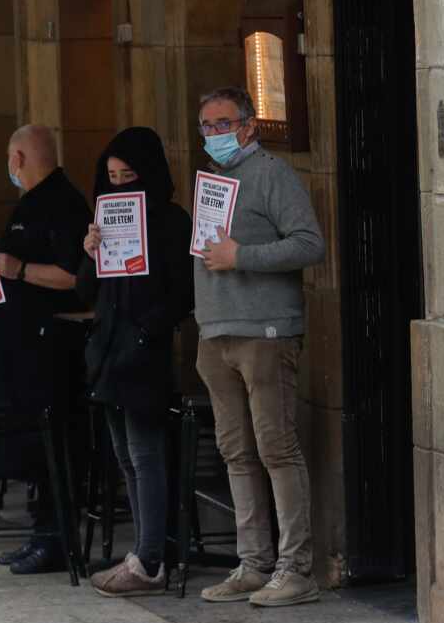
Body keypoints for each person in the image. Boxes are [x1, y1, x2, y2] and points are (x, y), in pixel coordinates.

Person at [193, 87, 325, 608]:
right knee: (236, 452)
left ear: (248, 126)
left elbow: (309, 243)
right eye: (205, 125)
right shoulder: (211, 179)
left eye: (223, 124)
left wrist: (241, 255)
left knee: (276, 447)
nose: (214, 134)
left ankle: (297, 569)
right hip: (217, 330)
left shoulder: (271, 173)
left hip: (265, 330)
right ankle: (254, 564)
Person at [76, 128, 193, 597]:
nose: (120, 185)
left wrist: (148, 331)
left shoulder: (169, 220)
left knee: (145, 453)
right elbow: (86, 289)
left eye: (129, 176)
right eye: (112, 176)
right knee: (124, 453)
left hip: (144, 348)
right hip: (108, 345)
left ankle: (149, 559)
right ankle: (141, 552)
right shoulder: (103, 221)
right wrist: (90, 251)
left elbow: (183, 291)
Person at [0, 124, 92, 574]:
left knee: (57, 444)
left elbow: (75, 277)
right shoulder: (32, 201)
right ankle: (40, 532)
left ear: (19, 158)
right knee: (33, 444)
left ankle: (55, 537)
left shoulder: (64, 203)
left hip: (52, 344)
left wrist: (19, 268)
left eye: (11, 158)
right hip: (22, 344)